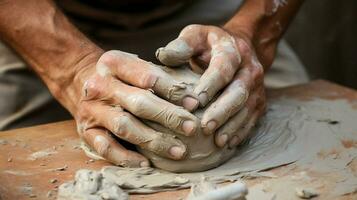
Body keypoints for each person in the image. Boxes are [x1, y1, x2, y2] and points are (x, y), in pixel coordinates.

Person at [0, 0, 308, 167]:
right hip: (43, 16)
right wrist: (72, 68)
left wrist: (252, 34)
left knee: (304, 123)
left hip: (203, 11)